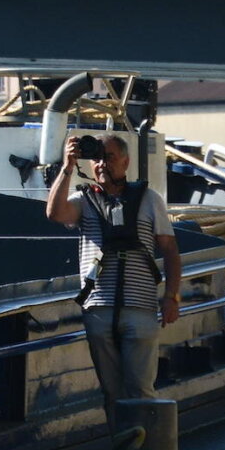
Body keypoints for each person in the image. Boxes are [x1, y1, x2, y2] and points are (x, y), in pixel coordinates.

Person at [45, 133, 184, 405]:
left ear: (126, 162)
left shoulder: (149, 199)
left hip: (140, 307)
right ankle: (121, 445)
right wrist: (67, 167)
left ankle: (146, 446)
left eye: (109, 157)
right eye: (96, 158)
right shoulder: (83, 200)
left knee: (141, 391)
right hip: (99, 308)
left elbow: (170, 251)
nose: (101, 165)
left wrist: (172, 297)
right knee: (111, 393)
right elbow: (55, 213)